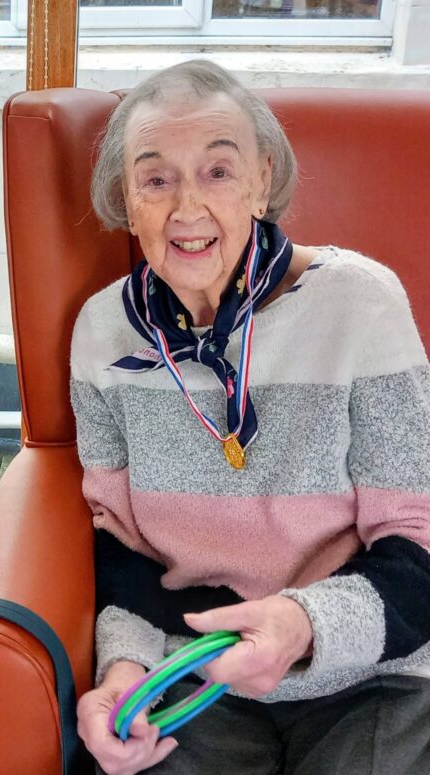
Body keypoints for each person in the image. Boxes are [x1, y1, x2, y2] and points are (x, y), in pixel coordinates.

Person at [72, 59, 430, 774]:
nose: (186, 208)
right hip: (199, 673)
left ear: (263, 179)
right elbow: (121, 549)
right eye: (156, 178)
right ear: (126, 199)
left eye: (217, 171)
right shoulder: (101, 334)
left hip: (371, 674)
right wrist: (122, 678)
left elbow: (418, 546)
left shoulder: (363, 304)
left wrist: (302, 625)